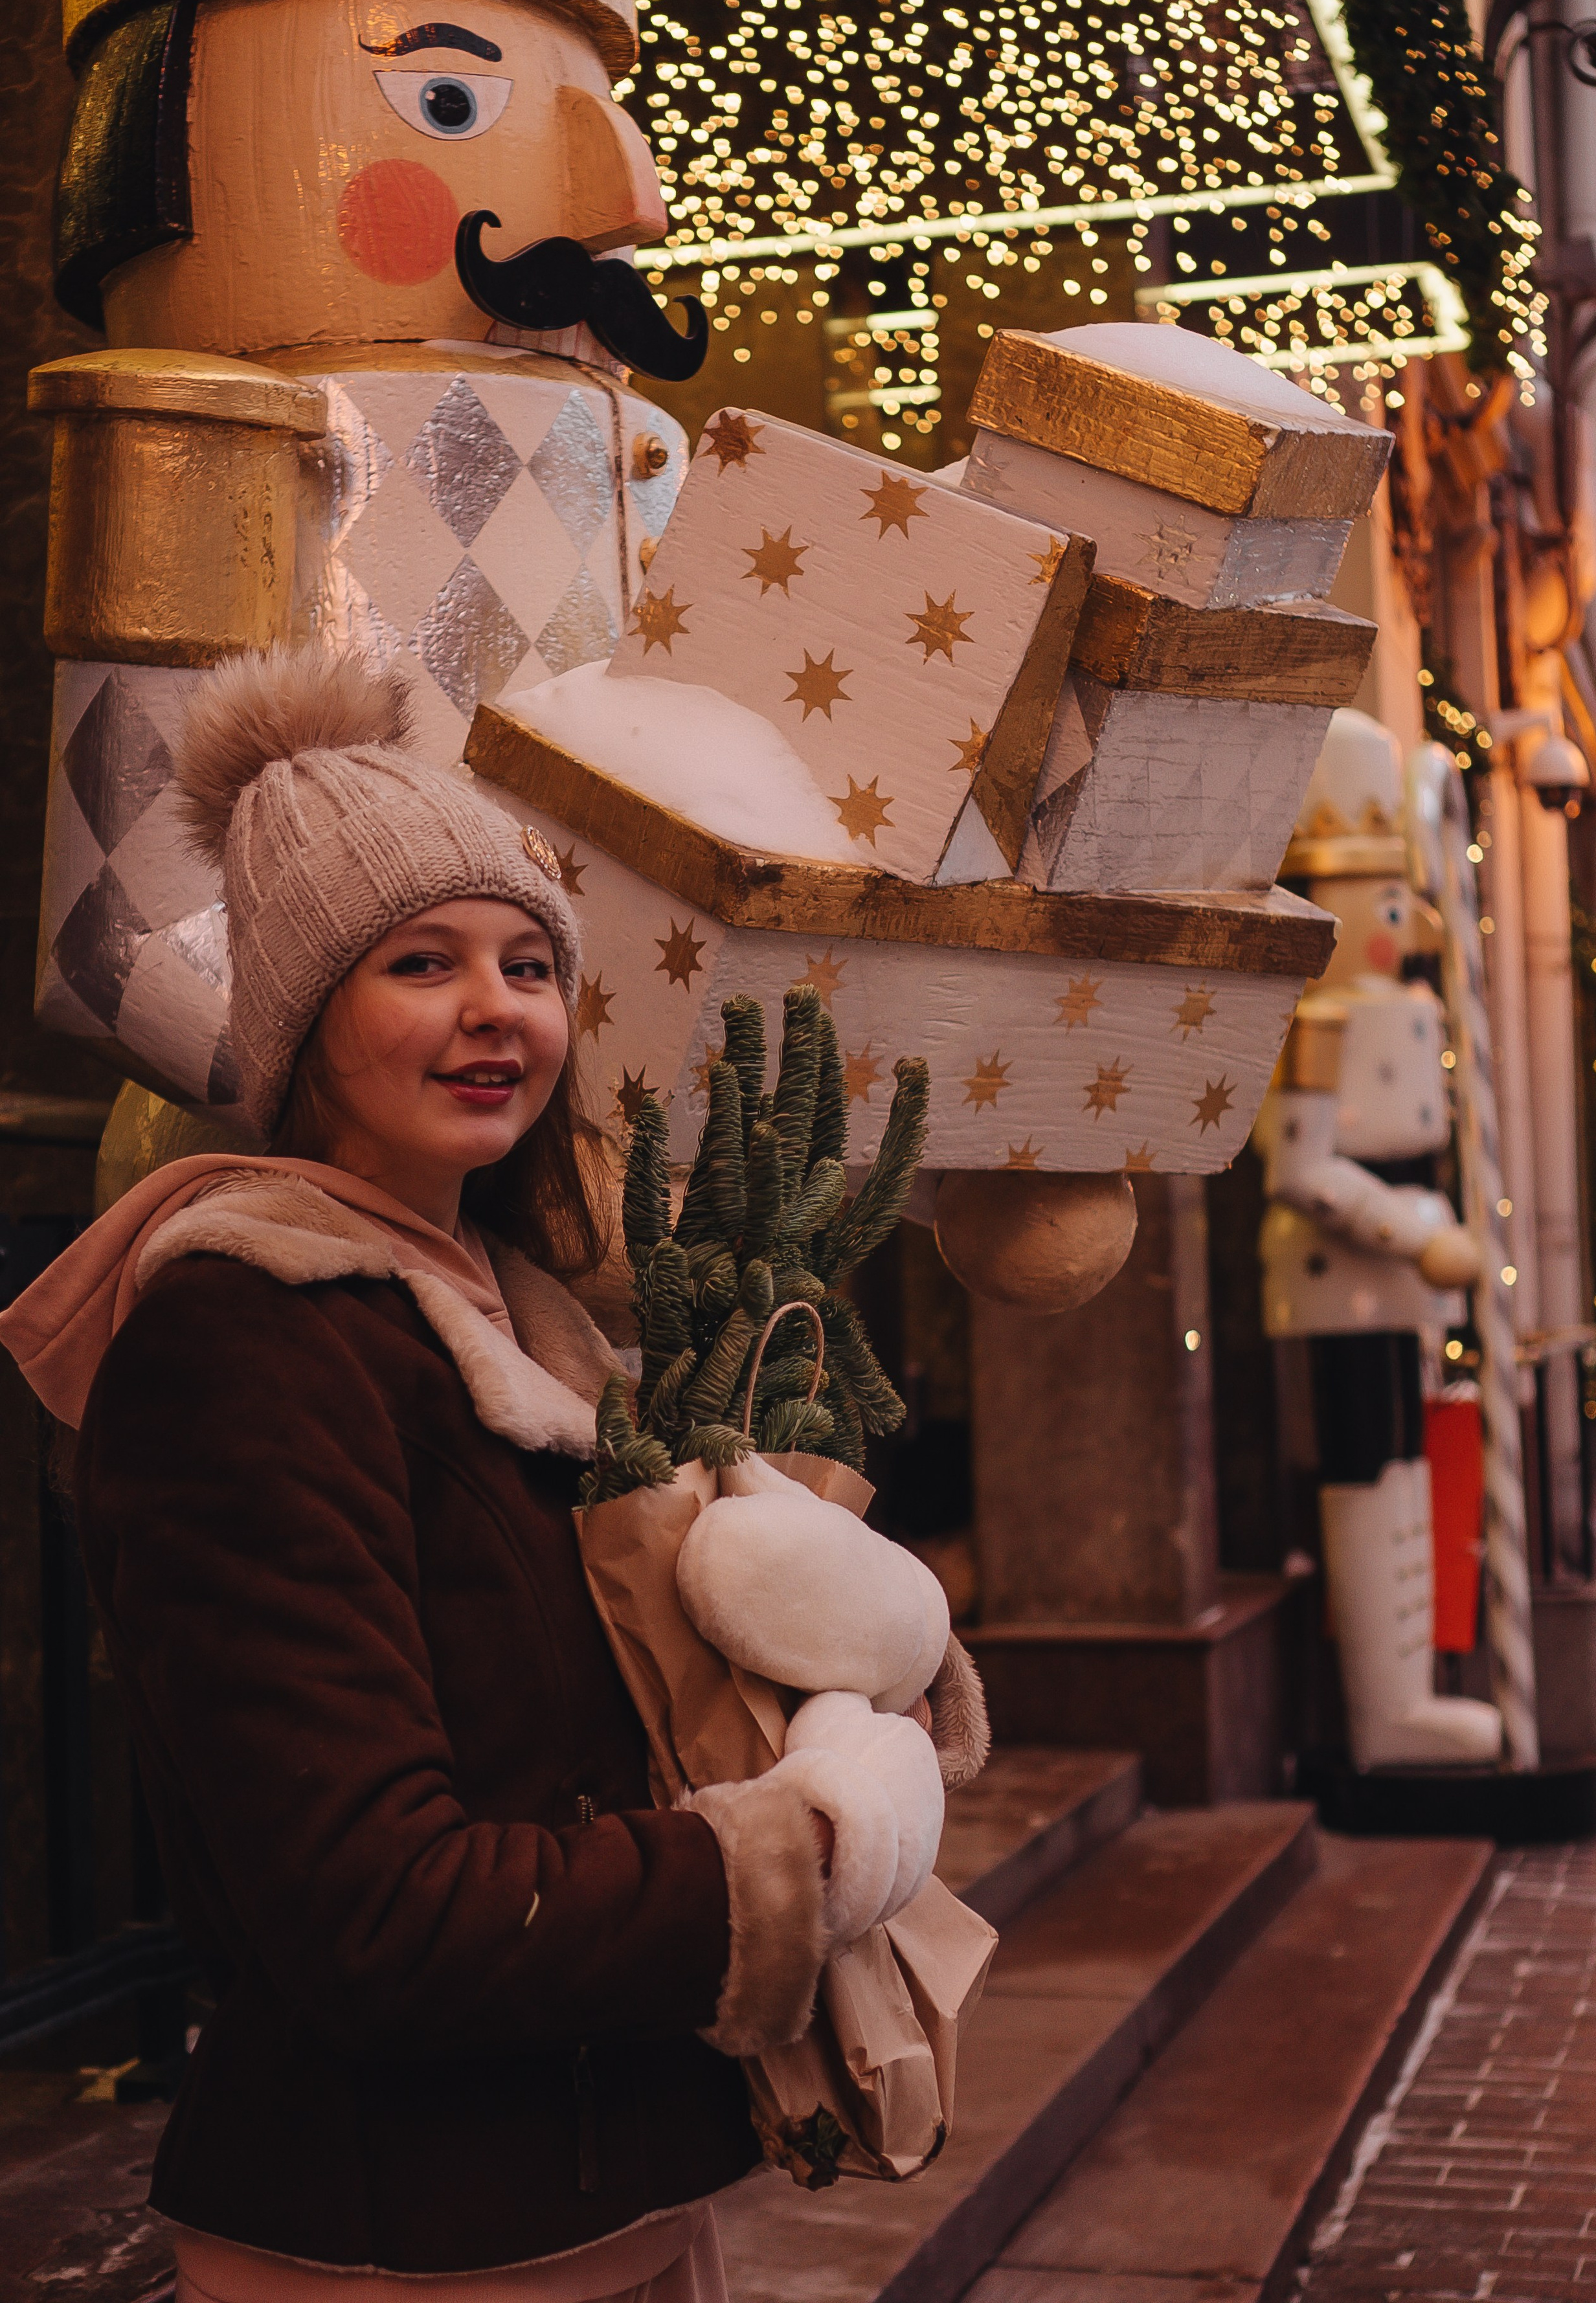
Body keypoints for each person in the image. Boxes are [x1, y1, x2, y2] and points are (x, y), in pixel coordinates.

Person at [0, 644, 944, 2302]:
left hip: (604, 2192)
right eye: (419, 963)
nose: (494, 1008)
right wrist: (788, 1851)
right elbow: (379, 1908)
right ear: (306, 1021)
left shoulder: (525, 1329)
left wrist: (846, 1666)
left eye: (525, 962)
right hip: (405, 2242)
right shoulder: (249, 1345)